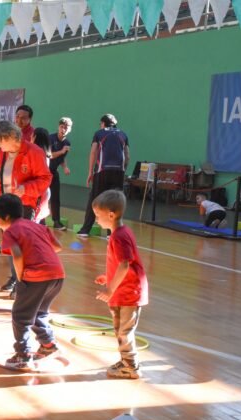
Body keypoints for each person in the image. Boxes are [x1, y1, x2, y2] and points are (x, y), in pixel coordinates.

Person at [0, 194, 65, 370]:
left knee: (20, 316)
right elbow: (58, 247)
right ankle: (48, 345)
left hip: (36, 278)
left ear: (6, 217)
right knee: (39, 313)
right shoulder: (37, 226)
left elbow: (17, 255)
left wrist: (20, 279)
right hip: (57, 275)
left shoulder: (10, 231)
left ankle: (23, 355)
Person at [0, 121, 52, 293]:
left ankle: (24, 282)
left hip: (25, 206)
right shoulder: (1, 154)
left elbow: (45, 178)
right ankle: (15, 277)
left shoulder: (34, 152)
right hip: (6, 205)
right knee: (11, 245)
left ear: (11, 137)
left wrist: (26, 188)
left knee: (23, 246)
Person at [92, 190, 148, 379]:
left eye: (97, 215)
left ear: (111, 215)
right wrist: (108, 277)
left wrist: (109, 289)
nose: (96, 219)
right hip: (122, 290)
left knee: (124, 332)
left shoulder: (119, 236)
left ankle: (131, 367)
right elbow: (120, 264)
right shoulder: (119, 233)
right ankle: (126, 361)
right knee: (119, 330)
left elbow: (125, 264)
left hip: (130, 292)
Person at [77, 114, 129, 238]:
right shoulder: (123, 134)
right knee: (115, 202)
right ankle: (112, 233)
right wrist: (123, 170)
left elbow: (93, 152)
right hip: (118, 172)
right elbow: (127, 156)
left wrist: (90, 172)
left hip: (103, 171)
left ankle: (85, 230)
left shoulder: (99, 133)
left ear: (103, 123)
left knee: (94, 199)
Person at [48, 118, 72, 230]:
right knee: (41, 196)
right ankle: (39, 220)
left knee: (55, 197)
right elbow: (49, 155)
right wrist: (62, 151)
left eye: (66, 128)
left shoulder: (67, 143)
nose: (63, 129)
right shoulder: (50, 138)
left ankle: (56, 221)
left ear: (69, 129)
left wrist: (65, 167)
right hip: (44, 171)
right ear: (58, 127)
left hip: (54, 171)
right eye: (62, 127)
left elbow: (61, 158)